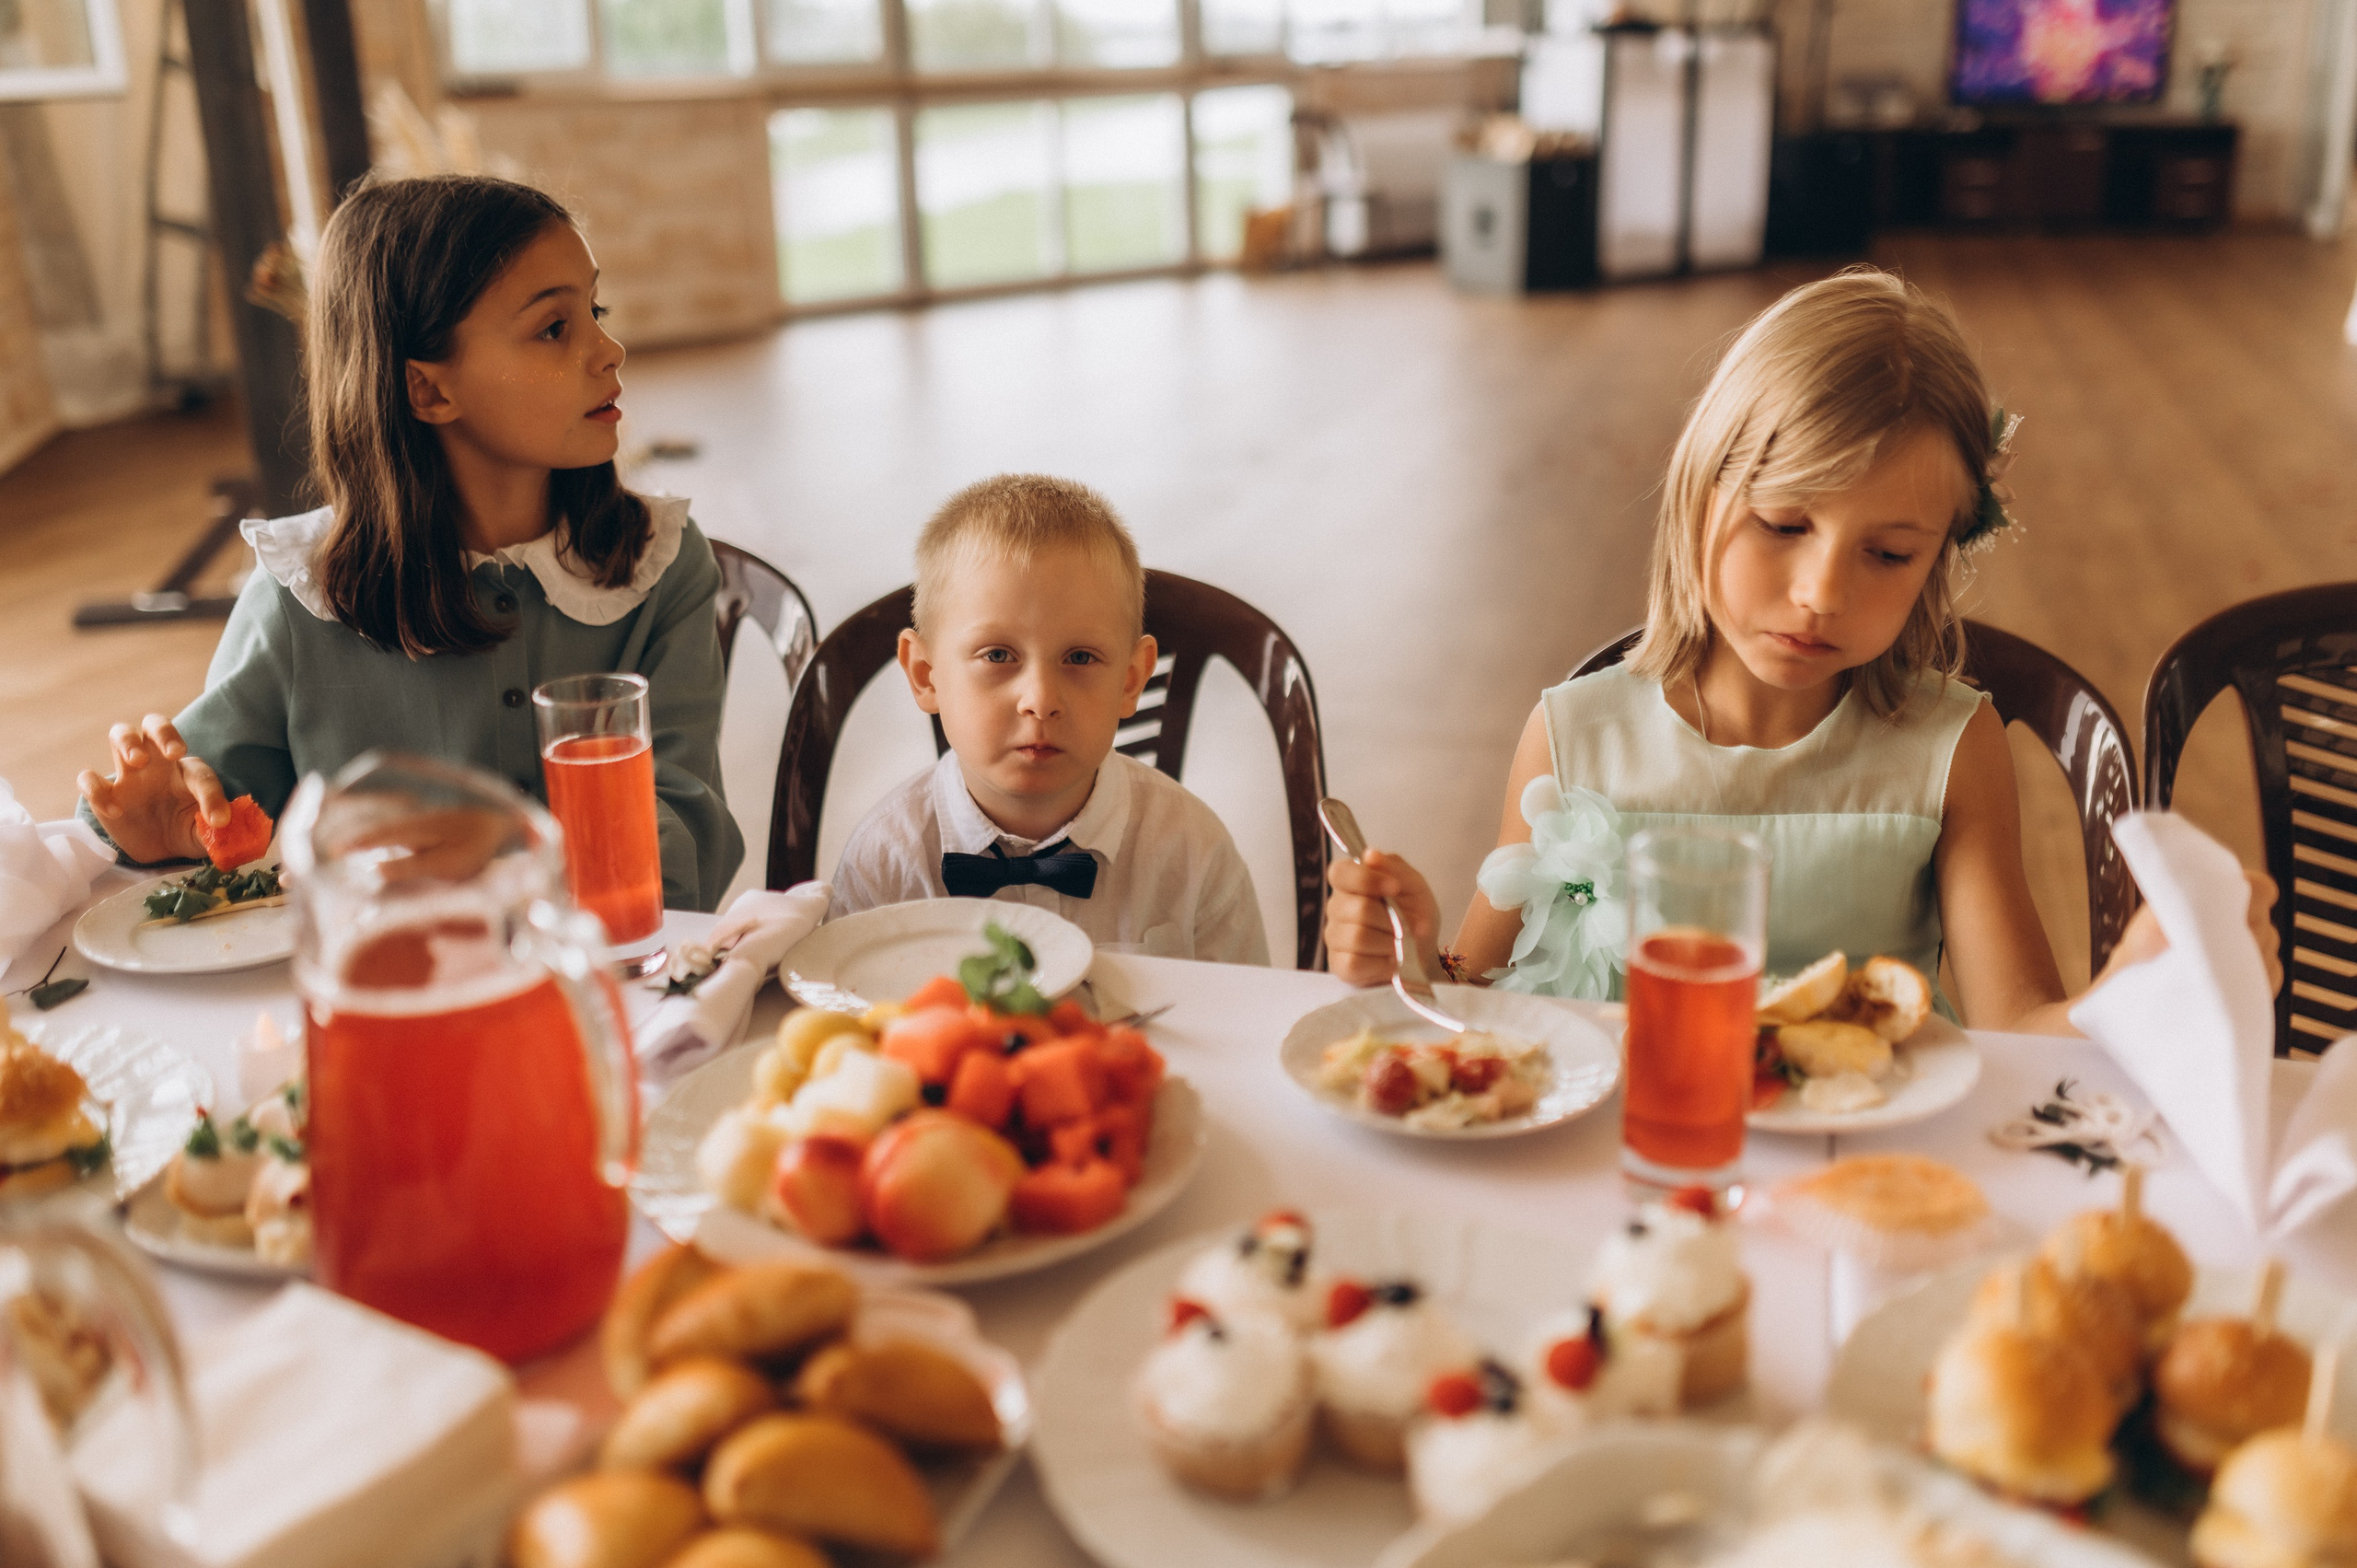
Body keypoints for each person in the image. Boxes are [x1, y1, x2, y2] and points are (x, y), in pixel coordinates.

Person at [1323, 269, 2273, 1033]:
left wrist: (2151, 991)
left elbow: (2018, 1026)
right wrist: (1396, 955)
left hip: (1864, 1164)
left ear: (1937, 557)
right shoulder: (1573, 736)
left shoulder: (1951, 750)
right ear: (1698, 496)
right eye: (1783, 522)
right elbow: (1475, 999)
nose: (1821, 593)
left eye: (1888, 553)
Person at [77, 174, 743, 911]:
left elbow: (693, 852)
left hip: (615, 996)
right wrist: (152, 823)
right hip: (387, 998)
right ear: (427, 391)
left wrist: (516, 845)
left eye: (596, 310)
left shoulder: (663, 567)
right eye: (555, 328)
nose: (610, 349)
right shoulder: (301, 600)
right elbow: (198, 813)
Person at [830, 474, 1268, 964]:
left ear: (1130, 680)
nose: (1040, 701)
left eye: (1079, 658)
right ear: (926, 674)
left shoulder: (1194, 853)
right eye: (998, 655)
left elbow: (1248, 1025)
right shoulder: (884, 865)